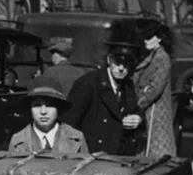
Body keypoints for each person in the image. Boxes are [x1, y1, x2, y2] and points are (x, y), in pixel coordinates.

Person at [62, 19, 146, 155]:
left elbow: (135, 109)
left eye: (127, 64)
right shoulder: (88, 84)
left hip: (120, 158)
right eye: (118, 62)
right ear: (109, 60)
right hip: (93, 158)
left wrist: (138, 118)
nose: (121, 68)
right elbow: (68, 125)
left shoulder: (127, 85)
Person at [8, 75, 87, 154]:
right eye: (37, 105)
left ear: (58, 108)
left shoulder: (77, 138)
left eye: (50, 105)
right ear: (30, 109)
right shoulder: (18, 141)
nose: (43, 111)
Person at [133, 18, 177, 158]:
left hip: (155, 112)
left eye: (149, 37)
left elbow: (154, 89)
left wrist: (138, 105)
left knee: (156, 149)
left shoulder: (162, 58)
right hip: (149, 110)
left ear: (158, 39)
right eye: (144, 37)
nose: (145, 40)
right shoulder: (152, 56)